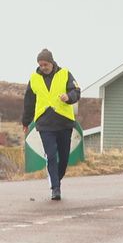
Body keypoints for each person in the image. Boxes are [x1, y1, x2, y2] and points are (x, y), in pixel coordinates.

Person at [22, 48, 81, 201]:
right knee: (51, 155)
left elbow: (76, 91)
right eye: (40, 65)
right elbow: (29, 101)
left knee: (64, 157)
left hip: (64, 122)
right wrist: (26, 122)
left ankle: (56, 178)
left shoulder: (65, 74)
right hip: (44, 123)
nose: (43, 67)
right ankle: (55, 188)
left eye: (45, 64)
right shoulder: (34, 78)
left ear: (52, 62)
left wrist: (68, 96)